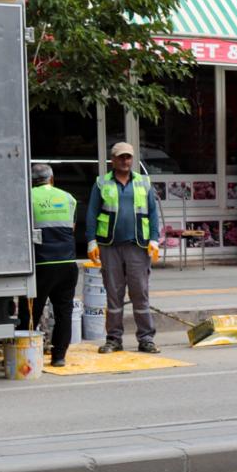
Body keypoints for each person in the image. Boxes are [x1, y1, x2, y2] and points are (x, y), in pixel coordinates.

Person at [86, 142, 162, 354]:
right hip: (110, 247)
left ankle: (146, 339)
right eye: (121, 157)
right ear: (113, 160)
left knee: (140, 294)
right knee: (113, 295)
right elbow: (92, 213)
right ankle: (114, 339)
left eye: (128, 157)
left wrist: (154, 239)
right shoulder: (101, 183)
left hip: (138, 246)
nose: (125, 161)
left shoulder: (143, 183)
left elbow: (153, 214)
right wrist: (91, 240)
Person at [24, 164, 79, 367]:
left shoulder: (26, 197)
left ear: (32, 181)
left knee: (31, 311)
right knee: (64, 311)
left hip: (41, 263)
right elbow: (72, 228)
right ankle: (59, 357)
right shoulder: (68, 198)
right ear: (52, 179)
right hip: (67, 262)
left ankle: (27, 355)